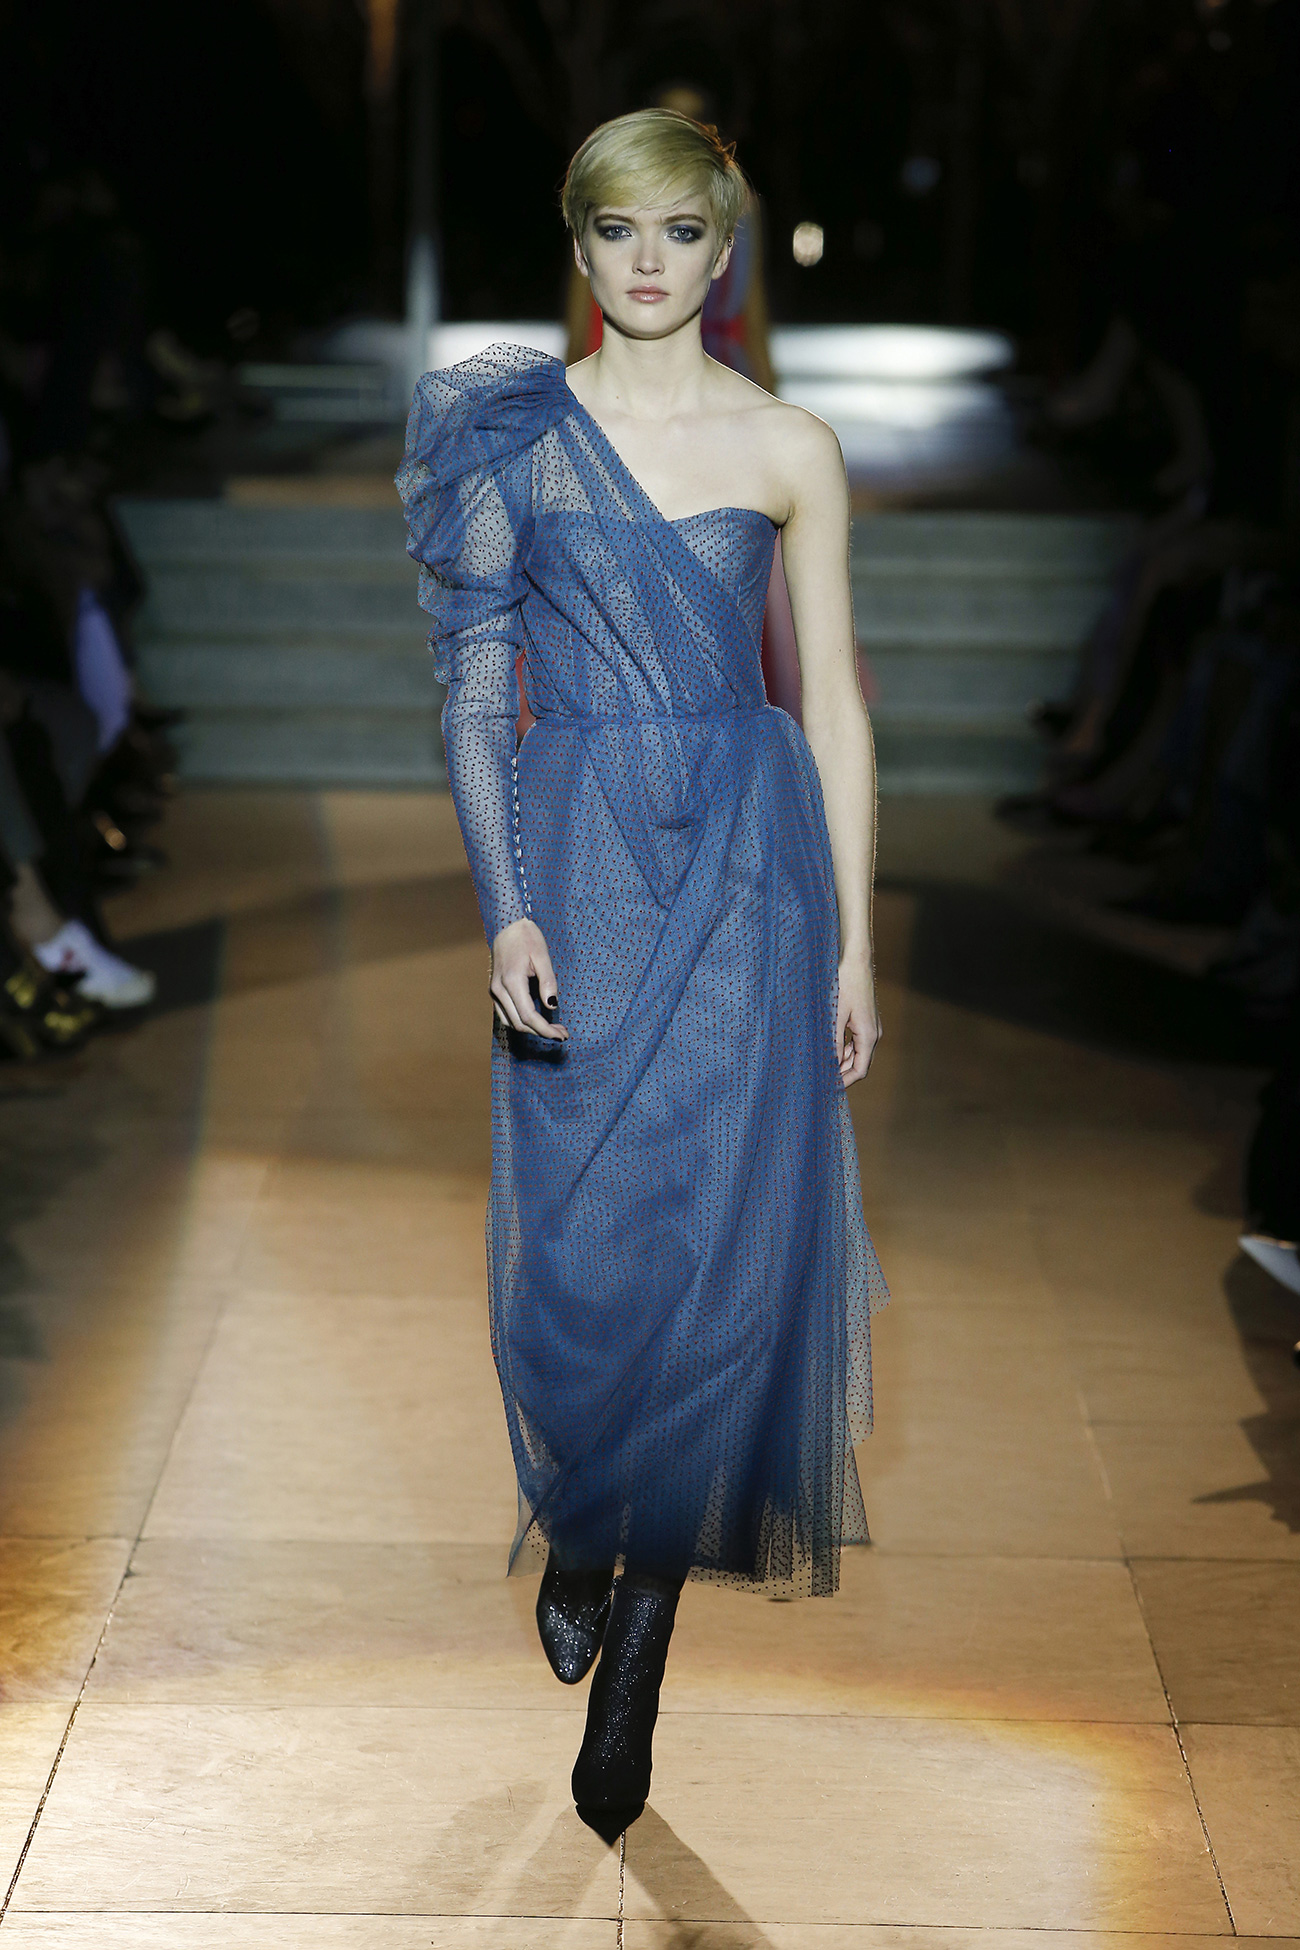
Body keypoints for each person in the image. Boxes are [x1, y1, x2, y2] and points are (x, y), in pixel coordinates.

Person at [398, 109, 886, 1844]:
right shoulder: (514, 437)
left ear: (724, 250)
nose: (651, 261)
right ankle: (591, 1521)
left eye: (682, 230)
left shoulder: (791, 445)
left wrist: (859, 935)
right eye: (619, 230)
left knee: (724, 1251)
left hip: (749, 859)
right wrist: (506, 906)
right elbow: (476, 688)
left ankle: (643, 1650)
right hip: (581, 848)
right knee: (580, 1250)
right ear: (582, 245)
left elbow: (834, 701)